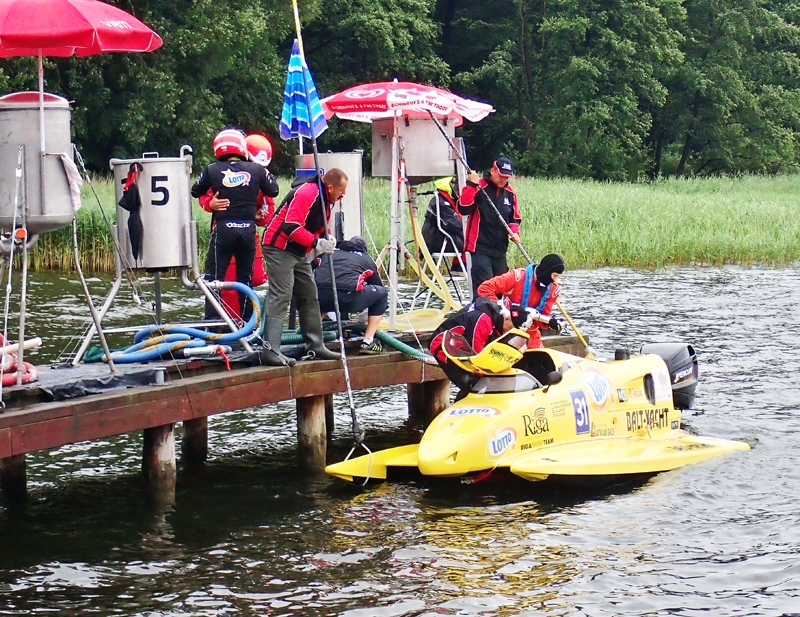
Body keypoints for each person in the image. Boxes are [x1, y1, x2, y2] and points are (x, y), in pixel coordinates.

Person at [261, 169, 348, 366]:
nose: (343, 194)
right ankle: (271, 351)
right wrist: (316, 243)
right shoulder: (307, 193)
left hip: (298, 251)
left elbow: (316, 224)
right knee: (281, 295)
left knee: (309, 294)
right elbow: (290, 226)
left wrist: (326, 237)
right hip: (278, 246)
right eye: (341, 190)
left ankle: (315, 345)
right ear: (330, 187)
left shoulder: (327, 199)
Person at [191, 128, 279, 323]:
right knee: (236, 282)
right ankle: (232, 325)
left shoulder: (216, 169)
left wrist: (258, 216)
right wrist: (210, 204)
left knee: (225, 280)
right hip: (241, 231)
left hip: (231, 232)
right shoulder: (253, 171)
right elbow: (204, 197)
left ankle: (227, 324)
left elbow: (268, 209)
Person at [429, 297, 533, 399]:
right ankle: (464, 406)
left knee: (492, 378)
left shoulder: (497, 318)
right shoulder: (484, 320)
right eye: (511, 328)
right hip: (444, 345)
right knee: (473, 383)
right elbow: (475, 354)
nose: (508, 332)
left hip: (462, 344)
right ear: (507, 318)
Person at [458, 157, 521, 297]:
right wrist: (471, 185)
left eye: (507, 177)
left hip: (500, 251)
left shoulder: (510, 194)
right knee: (485, 292)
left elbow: (514, 218)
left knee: (501, 292)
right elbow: (463, 208)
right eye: (501, 175)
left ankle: (499, 311)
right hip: (480, 249)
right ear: (492, 171)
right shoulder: (478, 186)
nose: (503, 180)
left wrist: (514, 232)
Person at [313, 236, 387, 355]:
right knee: (382, 294)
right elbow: (377, 285)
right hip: (348, 299)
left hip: (320, 298)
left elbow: (309, 269)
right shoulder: (365, 258)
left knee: (323, 291)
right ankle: (368, 341)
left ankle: (313, 338)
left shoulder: (326, 254)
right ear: (364, 249)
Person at [477, 253, 565, 349]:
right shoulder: (517, 277)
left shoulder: (554, 290)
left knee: (541, 356)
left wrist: (549, 323)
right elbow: (484, 288)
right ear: (546, 271)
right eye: (554, 276)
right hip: (508, 329)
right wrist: (502, 311)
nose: (555, 280)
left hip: (531, 333)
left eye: (557, 277)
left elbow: (543, 317)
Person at [421, 176, 463, 257]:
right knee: (477, 245)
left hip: (441, 239)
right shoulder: (440, 202)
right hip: (438, 241)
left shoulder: (445, 200)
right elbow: (453, 225)